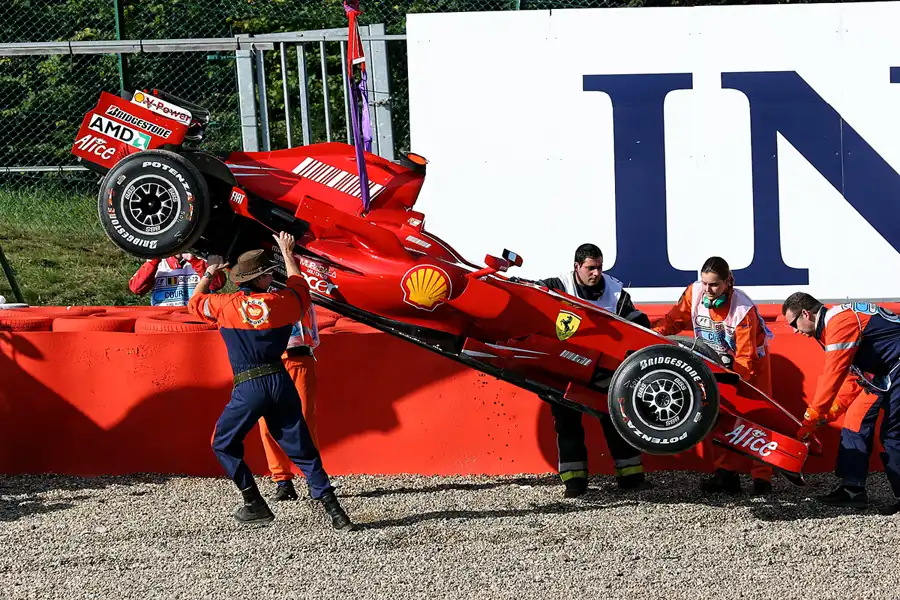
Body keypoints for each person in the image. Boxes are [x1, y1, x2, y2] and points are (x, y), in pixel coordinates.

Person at [187, 232, 354, 530]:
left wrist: (210, 271)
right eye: (267, 273)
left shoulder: (225, 305)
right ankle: (335, 511)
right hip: (280, 380)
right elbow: (300, 287)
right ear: (263, 278)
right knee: (302, 448)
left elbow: (195, 301)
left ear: (239, 280)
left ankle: (254, 502)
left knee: (223, 443)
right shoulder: (283, 303)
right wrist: (287, 254)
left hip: (248, 385)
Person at [537, 243, 653, 497]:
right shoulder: (558, 286)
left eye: (599, 267)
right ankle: (574, 483)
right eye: (590, 268)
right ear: (577, 267)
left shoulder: (616, 292)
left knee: (617, 416)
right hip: (564, 368)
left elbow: (636, 324)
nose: (596, 273)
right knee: (567, 424)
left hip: (604, 369)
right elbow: (532, 297)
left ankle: (631, 478)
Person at [652, 256, 775, 496]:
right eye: (705, 283)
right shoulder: (695, 293)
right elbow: (674, 320)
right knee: (719, 415)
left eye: (715, 285)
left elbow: (746, 357)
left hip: (752, 365)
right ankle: (725, 474)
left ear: (728, 282)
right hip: (716, 361)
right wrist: (653, 336)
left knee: (759, 416)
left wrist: (736, 386)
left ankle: (762, 478)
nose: (708, 290)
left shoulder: (742, 309)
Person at [782, 292, 900, 515]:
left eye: (794, 324)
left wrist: (810, 420)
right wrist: (828, 415)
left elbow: (831, 377)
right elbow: (852, 380)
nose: (795, 331)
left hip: (895, 369)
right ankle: (852, 491)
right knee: (855, 422)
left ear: (806, 313)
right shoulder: (831, 326)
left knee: (893, 435)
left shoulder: (839, 322)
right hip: (884, 374)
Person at [258, 303, 321, 501]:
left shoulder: (298, 291)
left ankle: (314, 480)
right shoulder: (250, 294)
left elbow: (313, 332)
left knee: (305, 421)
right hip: (265, 362)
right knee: (267, 424)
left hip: (299, 357)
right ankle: (282, 481)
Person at [129, 253, 225, 306]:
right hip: (164, 321)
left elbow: (217, 284)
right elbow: (136, 288)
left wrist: (194, 261)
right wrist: (154, 261)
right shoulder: (157, 263)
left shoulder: (200, 260)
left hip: (196, 319)